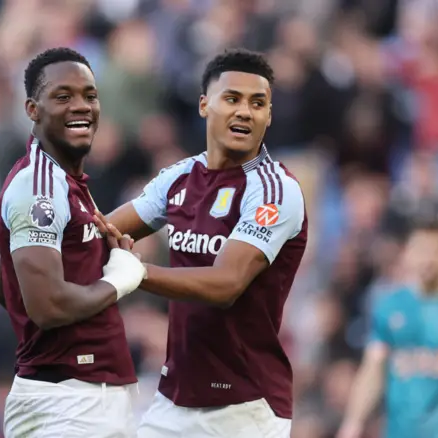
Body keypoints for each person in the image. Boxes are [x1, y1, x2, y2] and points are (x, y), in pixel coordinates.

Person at [99, 48, 308, 438]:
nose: (245, 111)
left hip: (244, 406)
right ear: (203, 105)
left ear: (269, 115)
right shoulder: (179, 177)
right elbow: (103, 232)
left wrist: (138, 273)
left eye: (258, 103)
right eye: (232, 99)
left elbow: (226, 285)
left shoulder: (275, 191)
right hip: (175, 397)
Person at [0, 47, 147, 438]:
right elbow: (46, 305)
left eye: (89, 96)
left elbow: (2, 283)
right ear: (32, 109)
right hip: (68, 401)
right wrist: (119, 280)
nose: (82, 106)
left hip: (84, 395)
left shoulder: (65, 181)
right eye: (63, 97)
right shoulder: (39, 186)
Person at [337, 221, 438, 438]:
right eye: (420, 250)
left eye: (436, 250)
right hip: (401, 431)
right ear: (407, 253)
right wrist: (352, 423)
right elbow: (373, 370)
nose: (427, 259)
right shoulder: (390, 306)